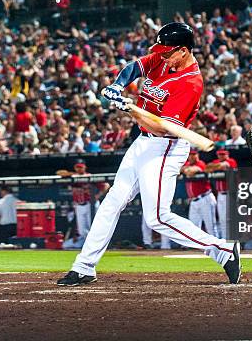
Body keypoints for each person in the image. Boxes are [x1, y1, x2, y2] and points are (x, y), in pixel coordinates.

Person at [57, 22, 240, 286]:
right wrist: (118, 86)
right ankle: (84, 266)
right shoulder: (165, 58)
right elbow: (136, 67)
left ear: (184, 51)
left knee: (157, 217)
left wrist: (130, 110)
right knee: (112, 202)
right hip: (142, 142)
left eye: (168, 52)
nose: (162, 55)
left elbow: (162, 126)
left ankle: (221, 250)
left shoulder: (190, 83)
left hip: (166, 146)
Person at [182, 149, 217, 237]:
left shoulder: (200, 163)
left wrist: (186, 170)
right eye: (190, 155)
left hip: (205, 198)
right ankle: (200, 248)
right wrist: (185, 169)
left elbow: (189, 172)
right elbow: (181, 169)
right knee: (193, 227)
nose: (192, 156)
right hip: (194, 201)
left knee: (211, 227)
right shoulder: (187, 164)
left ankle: (218, 247)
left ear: (197, 155)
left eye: (194, 154)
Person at [205, 149, 238, 239]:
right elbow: (206, 168)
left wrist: (214, 167)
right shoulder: (216, 161)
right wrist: (215, 166)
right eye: (219, 154)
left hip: (230, 194)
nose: (221, 156)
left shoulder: (231, 161)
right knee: (223, 220)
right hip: (220, 195)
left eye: (223, 154)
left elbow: (224, 165)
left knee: (231, 219)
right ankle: (224, 240)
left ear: (227, 155)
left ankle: (234, 241)